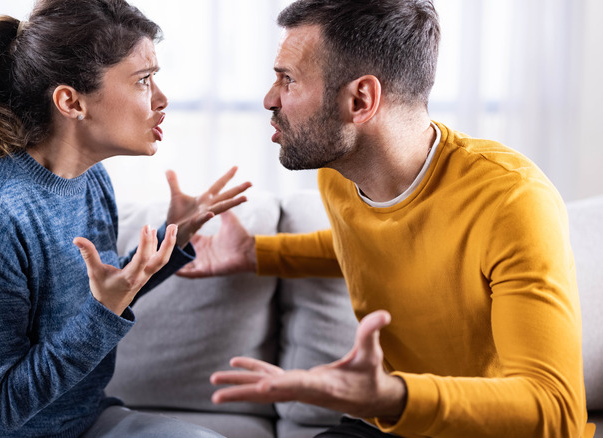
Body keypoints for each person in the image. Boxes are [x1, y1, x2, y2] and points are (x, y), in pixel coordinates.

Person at [179, 0, 594, 437]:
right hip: (392, 425)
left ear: (360, 99)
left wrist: (392, 395)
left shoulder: (511, 201)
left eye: (288, 80)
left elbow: (555, 411)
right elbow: (374, 244)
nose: (269, 99)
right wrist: (255, 253)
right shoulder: (339, 176)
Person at [0, 0, 248, 436]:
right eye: (143, 80)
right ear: (71, 101)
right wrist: (105, 309)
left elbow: (100, 295)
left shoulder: (91, 179)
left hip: (78, 421)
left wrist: (171, 241)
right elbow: (6, 403)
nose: (161, 99)